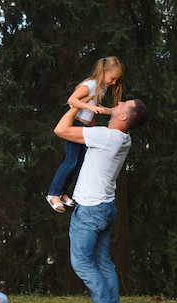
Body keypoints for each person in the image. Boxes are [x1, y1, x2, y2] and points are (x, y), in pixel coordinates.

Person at [53, 97, 148, 303]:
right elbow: (94, 133)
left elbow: (61, 130)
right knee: (103, 261)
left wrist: (77, 105)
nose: (120, 101)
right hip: (105, 208)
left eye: (125, 103)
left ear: (124, 116)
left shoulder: (106, 137)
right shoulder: (123, 138)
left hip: (90, 210)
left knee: (81, 262)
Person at [46, 56, 124, 213]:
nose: (114, 82)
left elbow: (92, 111)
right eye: (113, 78)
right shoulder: (90, 85)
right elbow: (72, 100)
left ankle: (62, 191)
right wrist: (89, 108)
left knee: (79, 162)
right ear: (104, 71)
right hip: (75, 124)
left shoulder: (102, 88)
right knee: (71, 161)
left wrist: (93, 123)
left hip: (85, 126)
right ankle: (53, 193)